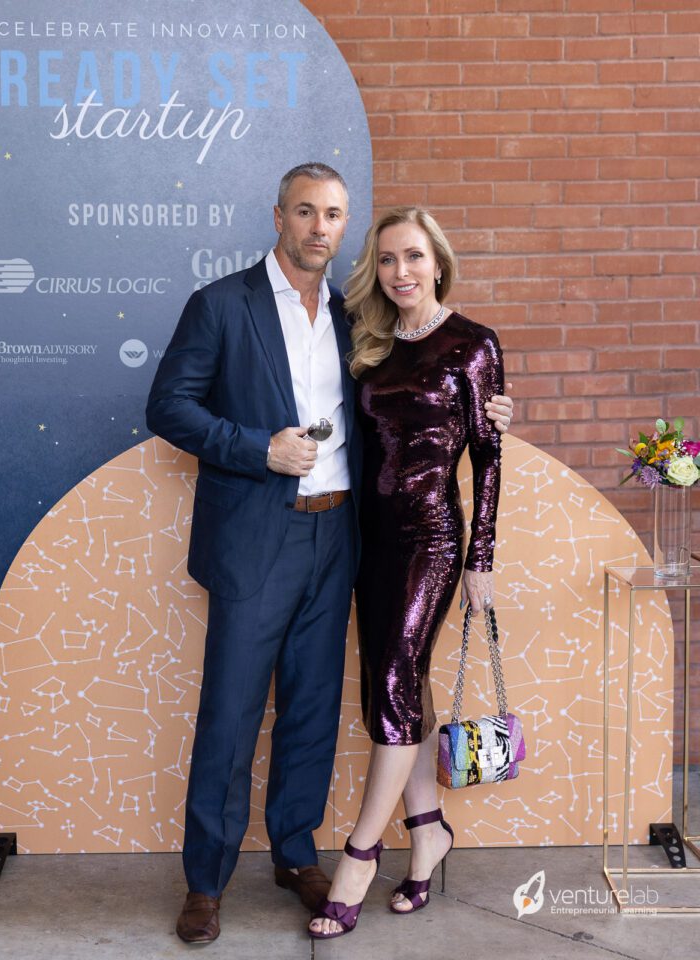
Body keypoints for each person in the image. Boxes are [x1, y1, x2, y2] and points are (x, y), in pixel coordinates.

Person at [146, 167, 513, 944]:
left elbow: (423, 387)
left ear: (346, 227)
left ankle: (293, 855)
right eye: (306, 211)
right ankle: (205, 882)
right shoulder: (220, 305)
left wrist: (490, 405)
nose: (319, 226)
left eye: (334, 215)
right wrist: (254, 447)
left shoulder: (360, 321)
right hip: (255, 538)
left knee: (312, 711)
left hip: (343, 538)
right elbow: (169, 405)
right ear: (278, 214)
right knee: (232, 712)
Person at [309, 207, 504, 939]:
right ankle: (428, 830)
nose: (401, 273)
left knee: (393, 685)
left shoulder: (474, 345)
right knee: (400, 687)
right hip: (370, 541)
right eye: (388, 260)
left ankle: (360, 854)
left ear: (438, 262)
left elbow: (488, 458)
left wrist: (480, 556)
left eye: (414, 258)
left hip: (431, 539)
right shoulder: (373, 344)